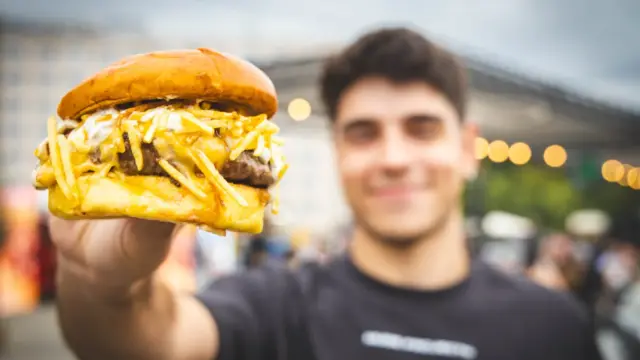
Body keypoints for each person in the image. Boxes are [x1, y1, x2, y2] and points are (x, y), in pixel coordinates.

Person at [50, 27, 602, 360]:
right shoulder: (273, 303)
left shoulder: (556, 325)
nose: (392, 158)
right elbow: (149, 341)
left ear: (467, 148)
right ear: (338, 150)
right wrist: (98, 283)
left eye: (421, 128)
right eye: (363, 133)